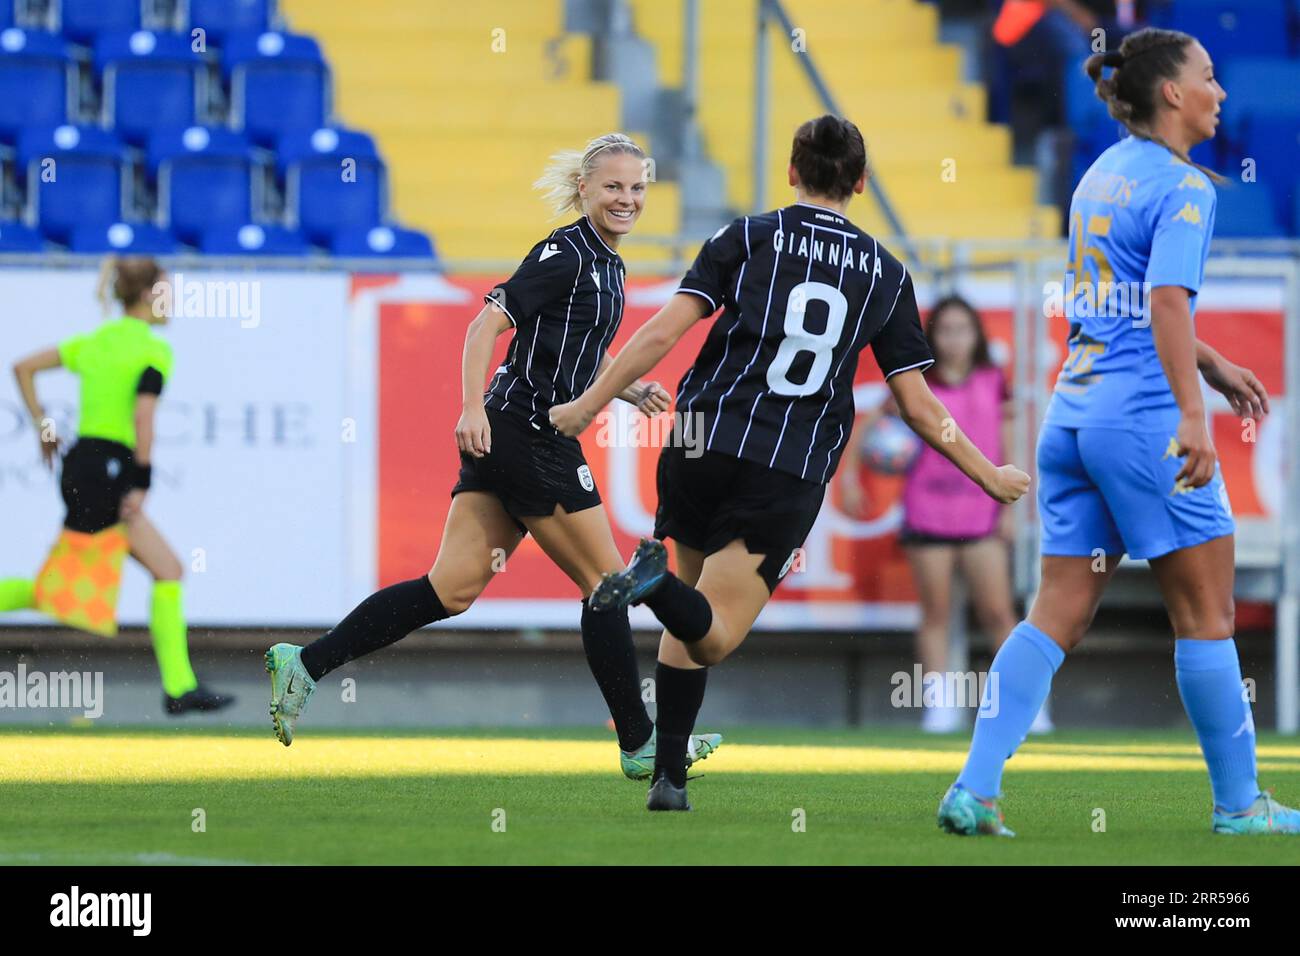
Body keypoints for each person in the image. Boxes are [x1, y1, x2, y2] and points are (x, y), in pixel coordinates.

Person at [549, 115, 1030, 810]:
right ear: (860, 183)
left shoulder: (744, 236)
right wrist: (990, 476)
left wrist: (592, 402)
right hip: (785, 461)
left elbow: (662, 332)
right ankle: (649, 587)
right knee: (711, 636)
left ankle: (669, 782)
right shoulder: (887, 274)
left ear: (791, 173)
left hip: (697, 441)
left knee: (688, 617)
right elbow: (920, 405)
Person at [265, 133, 721, 776]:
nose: (627, 198)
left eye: (638, 188)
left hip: (513, 435)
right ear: (585, 190)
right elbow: (487, 323)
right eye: (613, 187)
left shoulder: (607, 264)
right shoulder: (564, 252)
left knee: (449, 590)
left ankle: (305, 664)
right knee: (607, 585)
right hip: (528, 434)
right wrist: (471, 406)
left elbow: (578, 344)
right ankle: (640, 743)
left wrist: (624, 386)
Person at [938, 27, 1300, 836]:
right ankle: (1241, 807)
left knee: (1054, 612)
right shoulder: (1187, 188)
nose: (1222, 92)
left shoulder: (1099, 174)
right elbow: (1166, 302)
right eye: (1210, 77)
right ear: (1172, 92)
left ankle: (975, 786)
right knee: (1206, 616)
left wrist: (1204, 364)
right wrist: (1193, 415)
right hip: (1141, 425)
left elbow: (1118, 301)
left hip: (1072, 416)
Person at [2, 257, 234, 714]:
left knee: (148, 572)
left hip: (81, 465)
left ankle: (180, 687)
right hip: (110, 469)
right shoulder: (153, 348)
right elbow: (143, 416)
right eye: (166, 292)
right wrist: (141, 479)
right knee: (69, 589)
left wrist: (44, 427)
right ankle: (179, 688)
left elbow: (22, 368)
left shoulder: (95, 341)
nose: (173, 303)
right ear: (148, 295)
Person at [841, 295, 1037, 734]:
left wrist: (1015, 510)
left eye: (962, 330)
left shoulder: (992, 380)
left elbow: (1012, 446)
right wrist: (851, 478)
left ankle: (1023, 703)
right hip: (927, 512)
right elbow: (869, 426)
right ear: (933, 336)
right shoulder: (917, 385)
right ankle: (941, 706)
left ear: (976, 335)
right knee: (936, 612)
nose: (953, 340)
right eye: (945, 330)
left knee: (998, 612)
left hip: (983, 513)